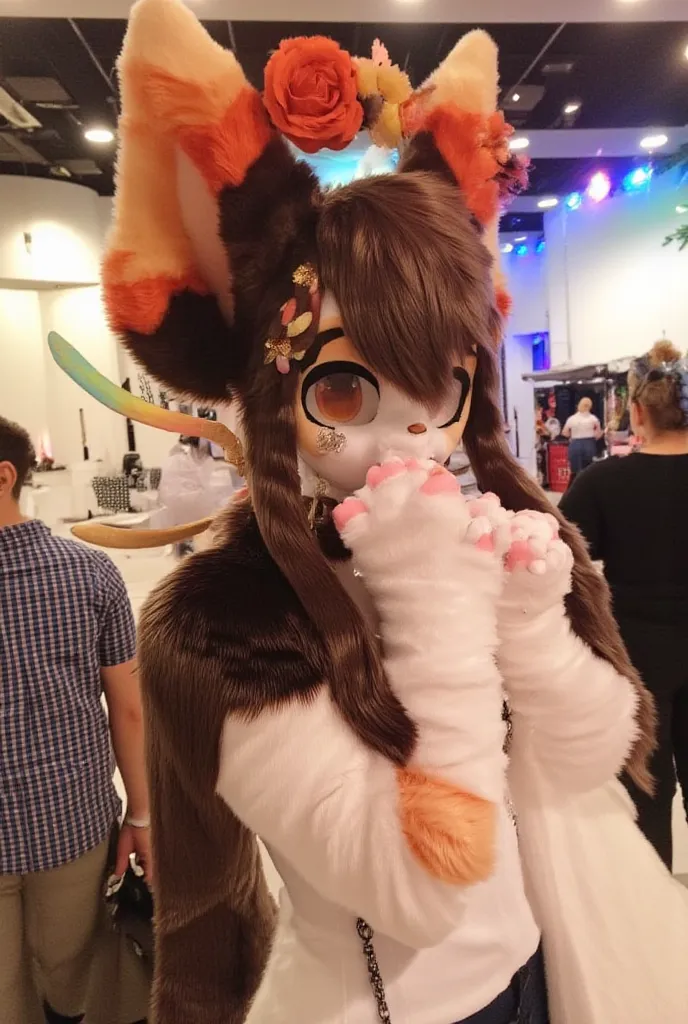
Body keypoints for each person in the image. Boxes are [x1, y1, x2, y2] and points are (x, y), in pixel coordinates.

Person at [55, 3, 688, 1022]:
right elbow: (424, 888)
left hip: (539, 974)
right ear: (275, 390)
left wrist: (527, 621)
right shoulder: (230, 625)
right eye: (343, 392)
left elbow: (584, 758)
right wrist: (434, 592)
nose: (406, 439)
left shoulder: (472, 528)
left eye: (436, 388)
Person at [0, 415, 152, 1024]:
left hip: (67, 824)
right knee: (78, 983)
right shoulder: (89, 572)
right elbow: (129, 708)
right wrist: (139, 815)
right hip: (70, 822)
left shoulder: (90, 572)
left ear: (5, 475)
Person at [560, 340, 688, 869]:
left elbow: (562, 565)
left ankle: (656, 914)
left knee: (647, 791)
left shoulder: (602, 484)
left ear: (635, 410)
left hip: (640, 658)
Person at [562, 397, 602, 484]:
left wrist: (571, 436)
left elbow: (564, 432)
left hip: (575, 444)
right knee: (589, 471)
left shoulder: (571, 418)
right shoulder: (593, 419)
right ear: (590, 406)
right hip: (589, 444)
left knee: (575, 472)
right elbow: (598, 434)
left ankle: (574, 491)